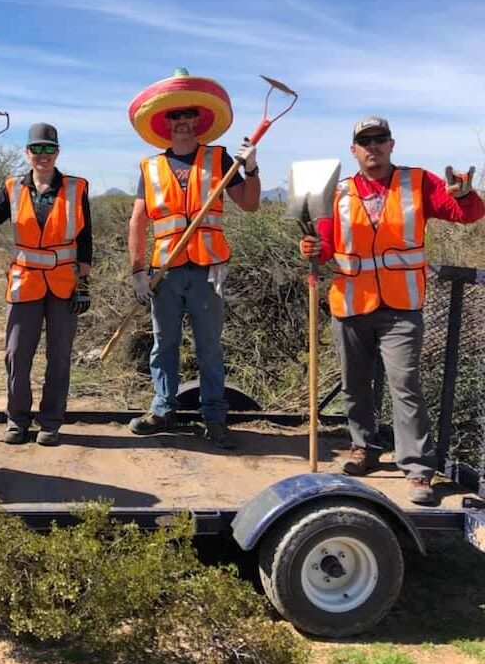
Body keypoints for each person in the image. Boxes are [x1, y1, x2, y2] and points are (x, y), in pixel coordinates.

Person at [300, 116, 484, 504]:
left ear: (391, 144)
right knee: (355, 385)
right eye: (364, 141)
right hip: (350, 303)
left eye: (379, 139)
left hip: (401, 307)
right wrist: (314, 250)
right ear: (353, 149)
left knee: (405, 386)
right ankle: (363, 448)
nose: (373, 146)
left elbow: (466, 214)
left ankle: (418, 470)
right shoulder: (339, 191)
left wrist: (466, 194)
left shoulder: (418, 182)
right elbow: (328, 245)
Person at [126, 68, 260, 449]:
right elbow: (138, 221)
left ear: (197, 120)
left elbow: (250, 204)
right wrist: (138, 271)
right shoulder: (150, 168)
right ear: (164, 122)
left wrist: (250, 167)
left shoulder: (220, 160)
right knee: (163, 343)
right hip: (164, 274)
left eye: (187, 115)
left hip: (206, 271)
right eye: (174, 115)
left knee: (209, 346)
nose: (181, 122)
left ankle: (214, 416)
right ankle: (163, 408)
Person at [0, 123, 92, 447]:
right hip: (25, 283)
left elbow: (86, 240)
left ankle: (51, 422)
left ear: (58, 152)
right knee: (17, 354)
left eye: (49, 149)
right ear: (27, 152)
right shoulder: (12, 187)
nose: (43, 155)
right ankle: (17, 420)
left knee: (59, 356)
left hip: (64, 284)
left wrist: (85, 283)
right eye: (37, 149)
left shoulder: (77, 188)